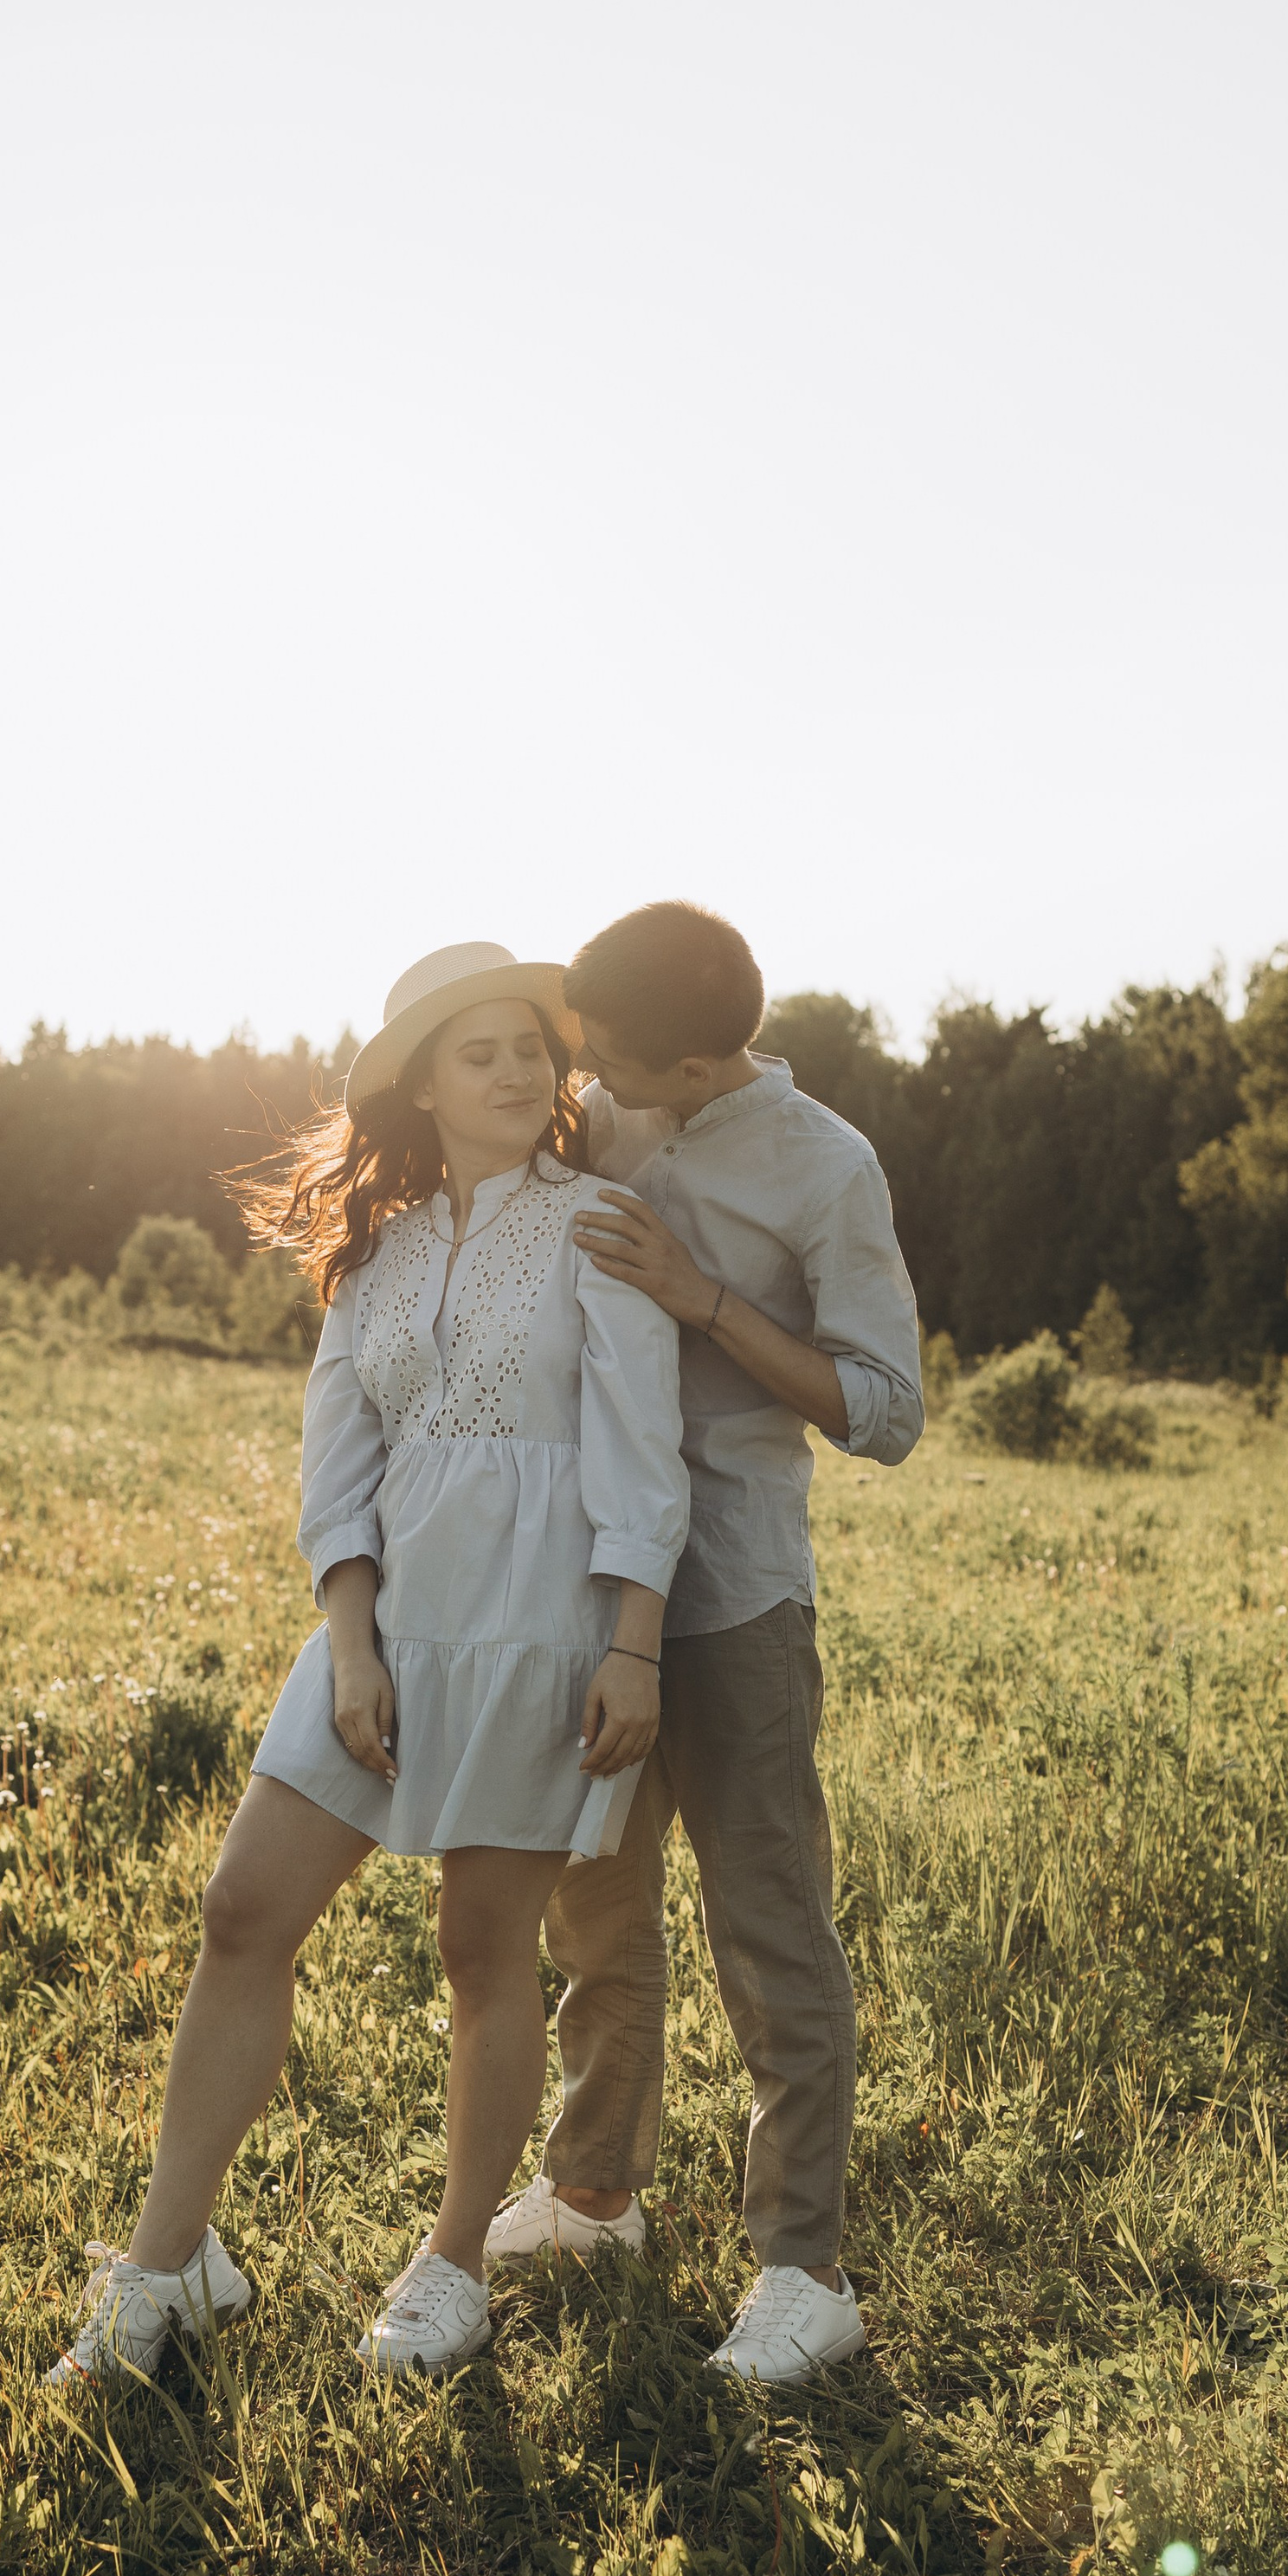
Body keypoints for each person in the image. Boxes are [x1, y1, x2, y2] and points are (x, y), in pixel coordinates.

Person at [44, 941, 689, 2387]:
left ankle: (452, 2264)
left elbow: (647, 1465)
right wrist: (351, 1642)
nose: (523, 1070)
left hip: (543, 1631)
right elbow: (335, 1468)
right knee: (242, 1909)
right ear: (423, 1084)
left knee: (481, 1949)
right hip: (382, 1636)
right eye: (486, 1052)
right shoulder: (374, 1253)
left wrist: (633, 1647)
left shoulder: (601, 1228)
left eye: (536, 1046)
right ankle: (167, 2269)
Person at [480, 902, 924, 2386]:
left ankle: (805, 2271)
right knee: (596, 1903)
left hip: (735, 1589)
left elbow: (886, 1411)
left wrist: (706, 1298)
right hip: (593, 1580)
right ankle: (597, 2192)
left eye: (612, 1058)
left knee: (768, 1925)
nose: (584, 1077)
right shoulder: (613, 1105)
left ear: (700, 1057)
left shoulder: (827, 1169)